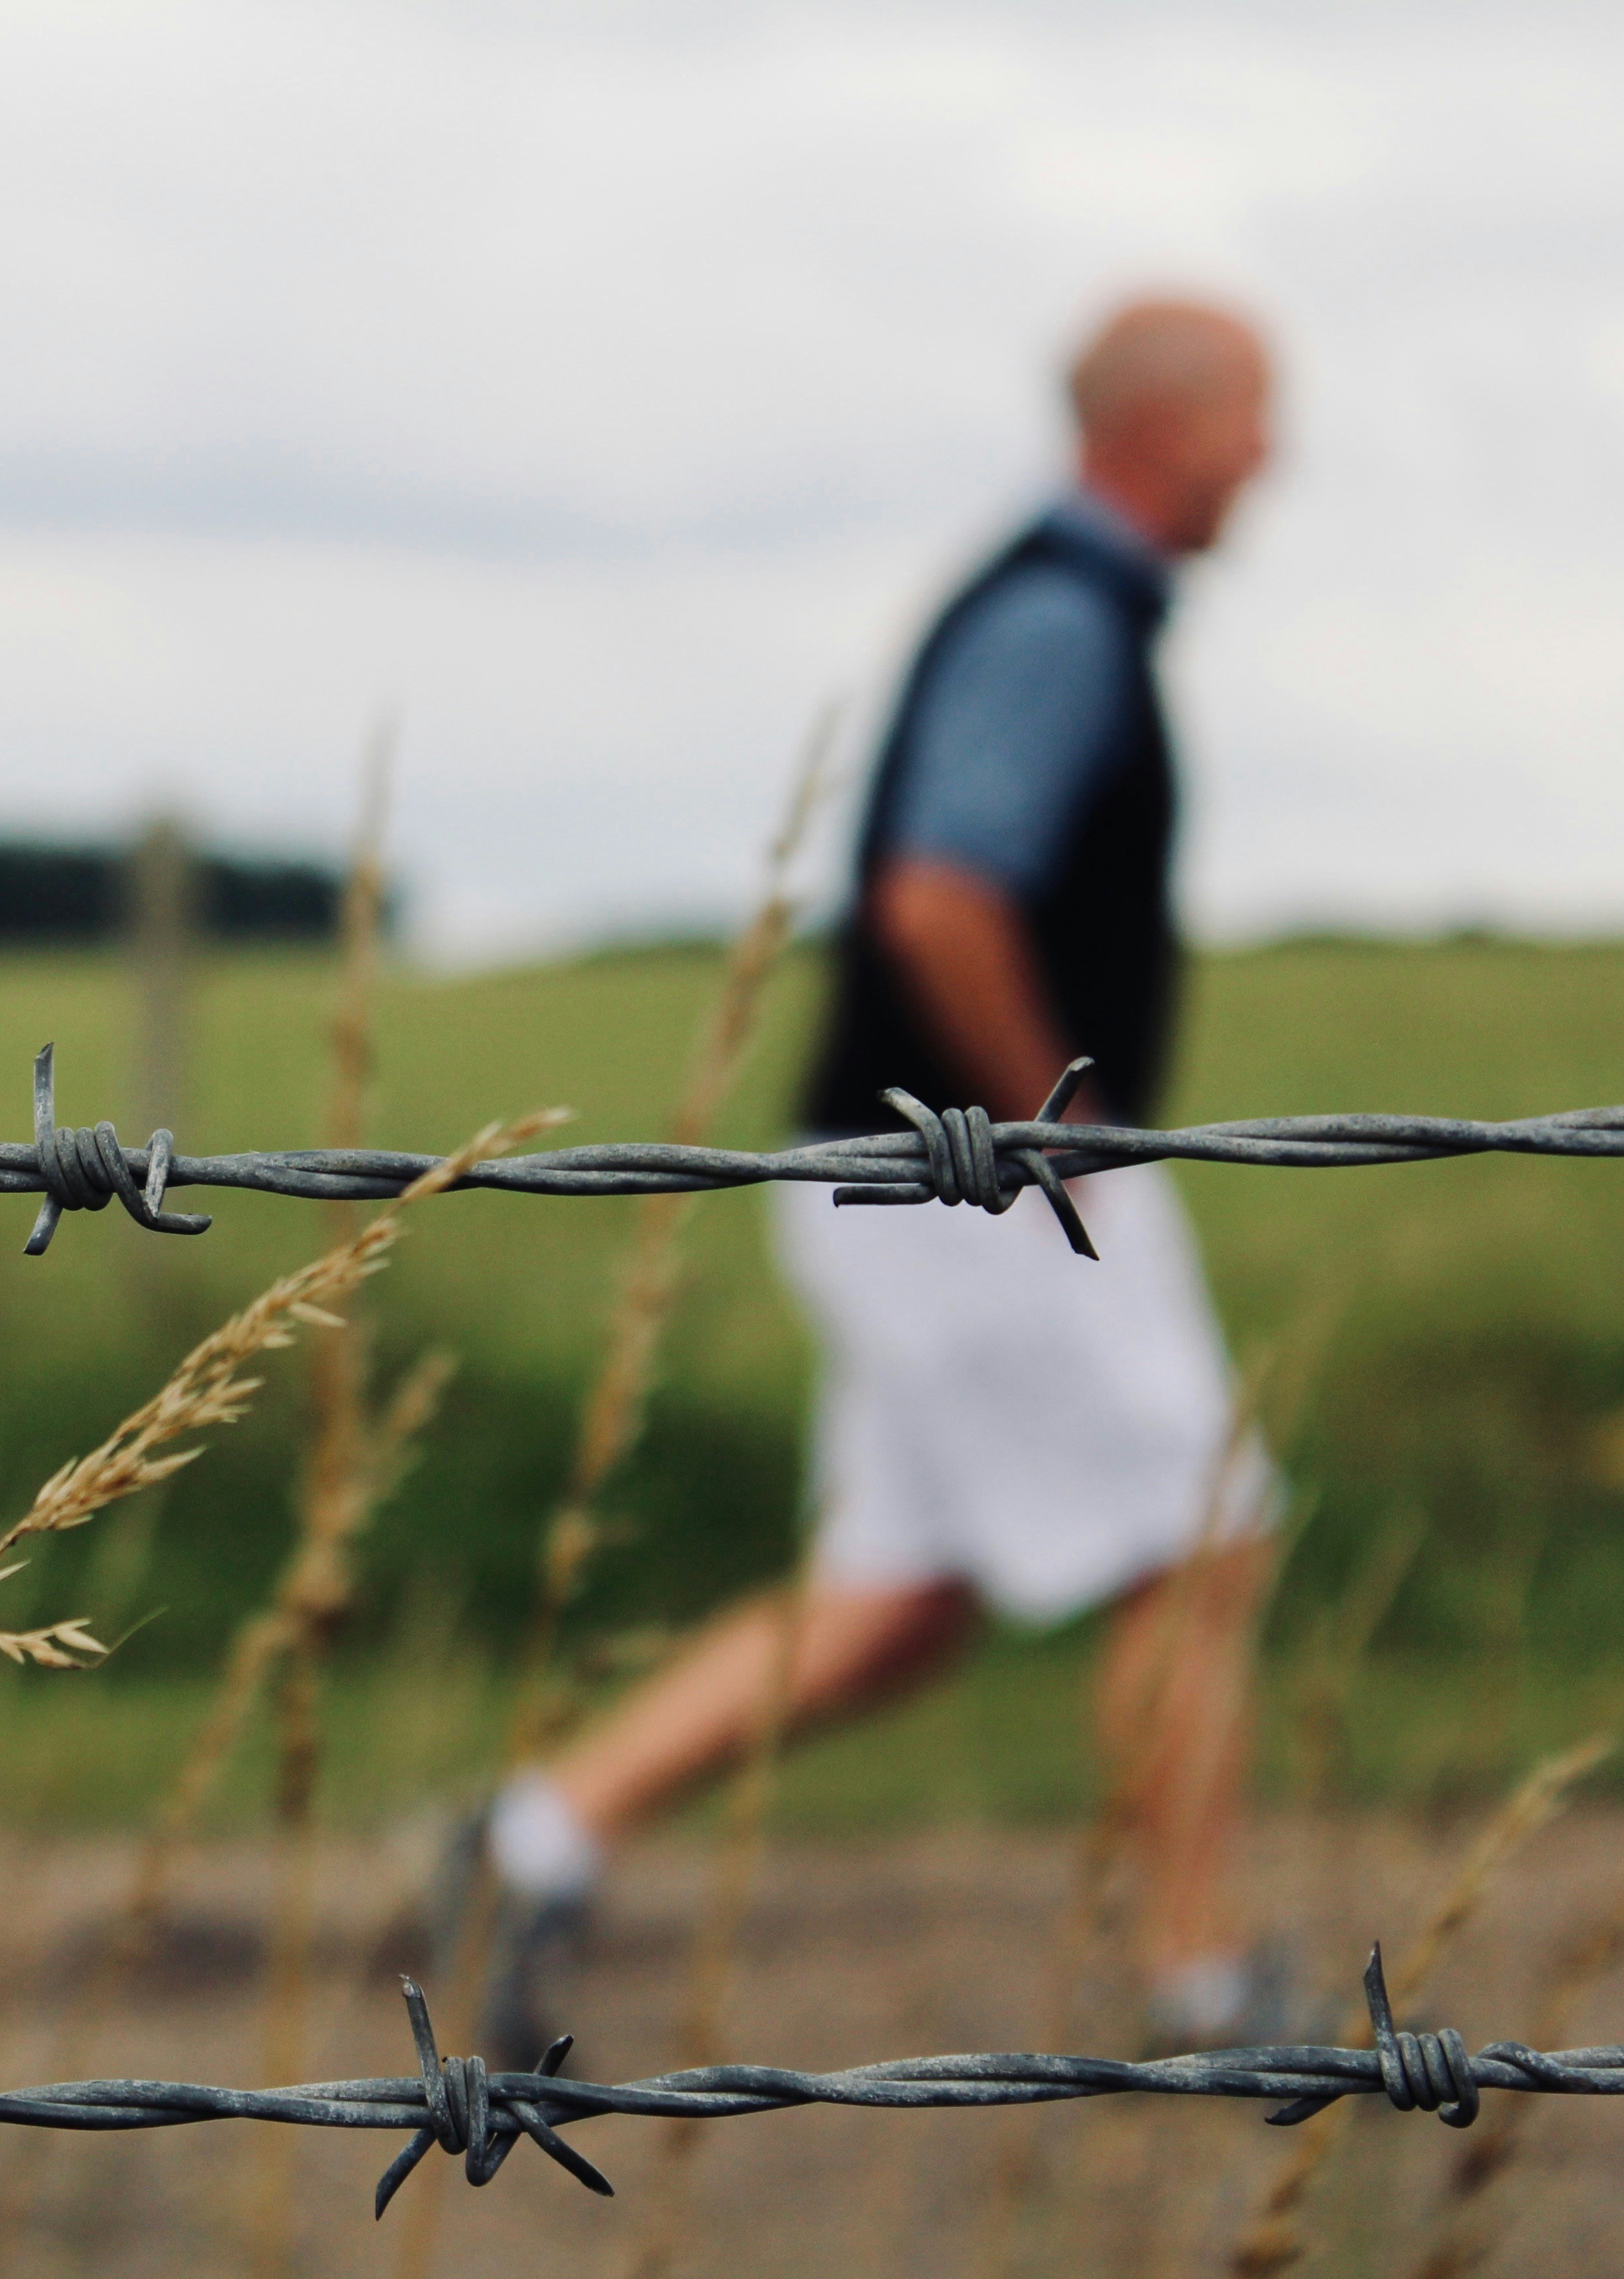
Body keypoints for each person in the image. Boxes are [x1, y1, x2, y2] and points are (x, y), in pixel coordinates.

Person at [470, 294, 1286, 2058]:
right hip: (974, 1182)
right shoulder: (1064, 619)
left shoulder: (1057, 603)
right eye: (1253, 417)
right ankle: (1208, 1982)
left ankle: (527, 1837)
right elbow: (937, 892)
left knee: (904, 1599)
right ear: (1162, 427)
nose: (1274, 456)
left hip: (912, 1180)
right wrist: (1058, 1125)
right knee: (1196, 1534)